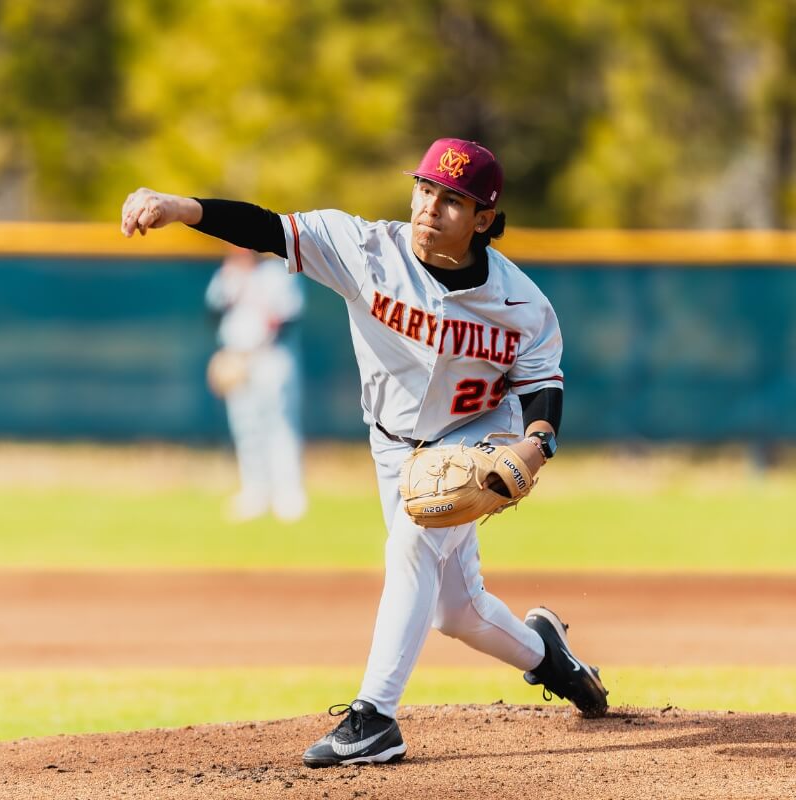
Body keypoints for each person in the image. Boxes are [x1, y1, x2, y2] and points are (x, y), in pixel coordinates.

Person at [121, 137, 609, 768]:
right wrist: (181, 207)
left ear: (484, 220)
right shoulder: (365, 249)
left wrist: (535, 446)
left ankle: (374, 717)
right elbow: (268, 228)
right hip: (392, 443)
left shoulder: (522, 304)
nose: (430, 208)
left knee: (411, 540)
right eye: (425, 189)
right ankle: (551, 657)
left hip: (475, 436)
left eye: (453, 200)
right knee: (455, 612)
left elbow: (542, 383)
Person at [205, 246, 308, 522]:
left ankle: (289, 494)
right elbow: (212, 313)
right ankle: (255, 492)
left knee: (281, 425)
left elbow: (290, 317)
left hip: (271, 356)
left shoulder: (276, 274)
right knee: (246, 427)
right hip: (237, 358)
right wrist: (233, 286)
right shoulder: (226, 276)